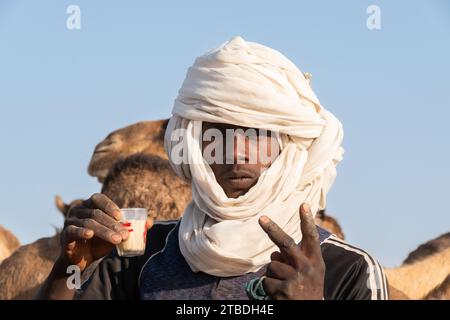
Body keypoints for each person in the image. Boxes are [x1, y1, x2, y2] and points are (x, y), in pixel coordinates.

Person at [36, 36, 388, 300]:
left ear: (290, 144)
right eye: (217, 134)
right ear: (193, 144)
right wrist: (69, 268)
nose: (236, 153)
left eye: (258, 133)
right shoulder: (140, 254)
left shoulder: (347, 269)